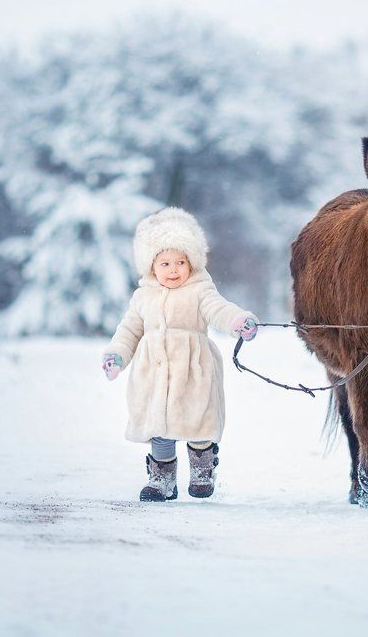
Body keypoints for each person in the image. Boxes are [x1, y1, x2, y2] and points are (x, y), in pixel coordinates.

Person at [101, 207, 258, 501]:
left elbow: (218, 309)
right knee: (159, 428)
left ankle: (202, 469)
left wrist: (237, 322)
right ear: (151, 265)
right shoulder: (142, 296)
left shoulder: (200, 289)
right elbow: (129, 331)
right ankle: (162, 480)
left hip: (193, 371)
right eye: (165, 263)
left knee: (198, 422)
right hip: (154, 376)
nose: (173, 270)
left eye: (180, 262)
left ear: (192, 262)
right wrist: (117, 356)